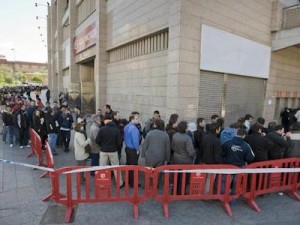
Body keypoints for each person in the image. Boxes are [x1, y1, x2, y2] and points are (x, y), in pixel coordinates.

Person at [96, 115, 124, 188]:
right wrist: (116, 148)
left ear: (105, 121)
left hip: (103, 151)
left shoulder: (102, 129)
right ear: (111, 120)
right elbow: (119, 142)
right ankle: (119, 183)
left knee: (102, 168)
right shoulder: (116, 129)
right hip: (113, 151)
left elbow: (97, 140)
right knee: (116, 167)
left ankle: (102, 184)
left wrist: (102, 145)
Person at [172, 121, 195, 194]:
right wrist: (193, 156)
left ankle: (174, 191)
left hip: (176, 158)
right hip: (186, 160)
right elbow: (190, 152)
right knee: (184, 178)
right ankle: (181, 191)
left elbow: (172, 147)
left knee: (176, 176)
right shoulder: (187, 138)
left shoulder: (175, 136)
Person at [124, 113, 141, 187]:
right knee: (134, 167)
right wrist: (137, 149)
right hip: (133, 150)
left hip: (127, 148)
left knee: (128, 165)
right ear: (132, 119)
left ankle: (128, 181)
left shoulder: (126, 126)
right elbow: (136, 141)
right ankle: (133, 183)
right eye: (136, 118)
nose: (138, 120)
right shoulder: (134, 129)